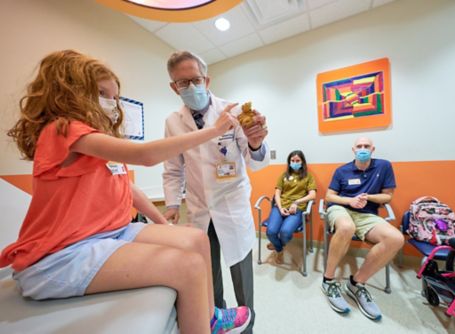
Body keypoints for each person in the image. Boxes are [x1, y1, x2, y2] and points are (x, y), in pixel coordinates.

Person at [0, 50, 252, 334]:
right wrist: (213, 130)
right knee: (189, 266)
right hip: (62, 254)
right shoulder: (63, 131)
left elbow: (127, 187)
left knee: (195, 239)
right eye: (102, 93)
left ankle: (211, 320)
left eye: (114, 96)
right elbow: (145, 156)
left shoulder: (96, 138)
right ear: (70, 92)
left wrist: (164, 226)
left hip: (109, 231)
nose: (112, 103)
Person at [163, 51, 270, 333]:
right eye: (182, 83)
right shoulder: (173, 122)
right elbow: (174, 168)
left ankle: (247, 328)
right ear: (174, 87)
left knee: (242, 277)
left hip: (232, 207)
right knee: (209, 278)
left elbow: (254, 162)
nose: (190, 87)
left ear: (207, 80)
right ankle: (219, 324)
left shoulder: (232, 112)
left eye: (195, 80)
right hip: (199, 210)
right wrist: (172, 203)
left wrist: (257, 144)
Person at [322, 137, 404, 321]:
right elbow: (329, 196)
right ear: (353, 149)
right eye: (359, 146)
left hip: (367, 213)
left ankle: (356, 283)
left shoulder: (383, 166)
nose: (363, 149)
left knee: (396, 239)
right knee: (346, 227)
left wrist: (368, 197)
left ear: (373, 148)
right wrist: (350, 200)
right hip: (341, 208)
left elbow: (387, 197)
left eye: (366, 146)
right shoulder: (342, 170)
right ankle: (328, 281)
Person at [266, 150, 316, 264]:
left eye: (297, 160)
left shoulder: (308, 176)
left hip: (297, 209)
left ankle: (278, 245)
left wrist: (296, 202)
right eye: (292, 161)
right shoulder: (284, 176)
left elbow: (313, 195)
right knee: (271, 232)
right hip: (280, 206)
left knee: (285, 232)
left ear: (302, 162)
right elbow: (277, 194)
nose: (294, 162)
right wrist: (279, 207)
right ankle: (279, 250)